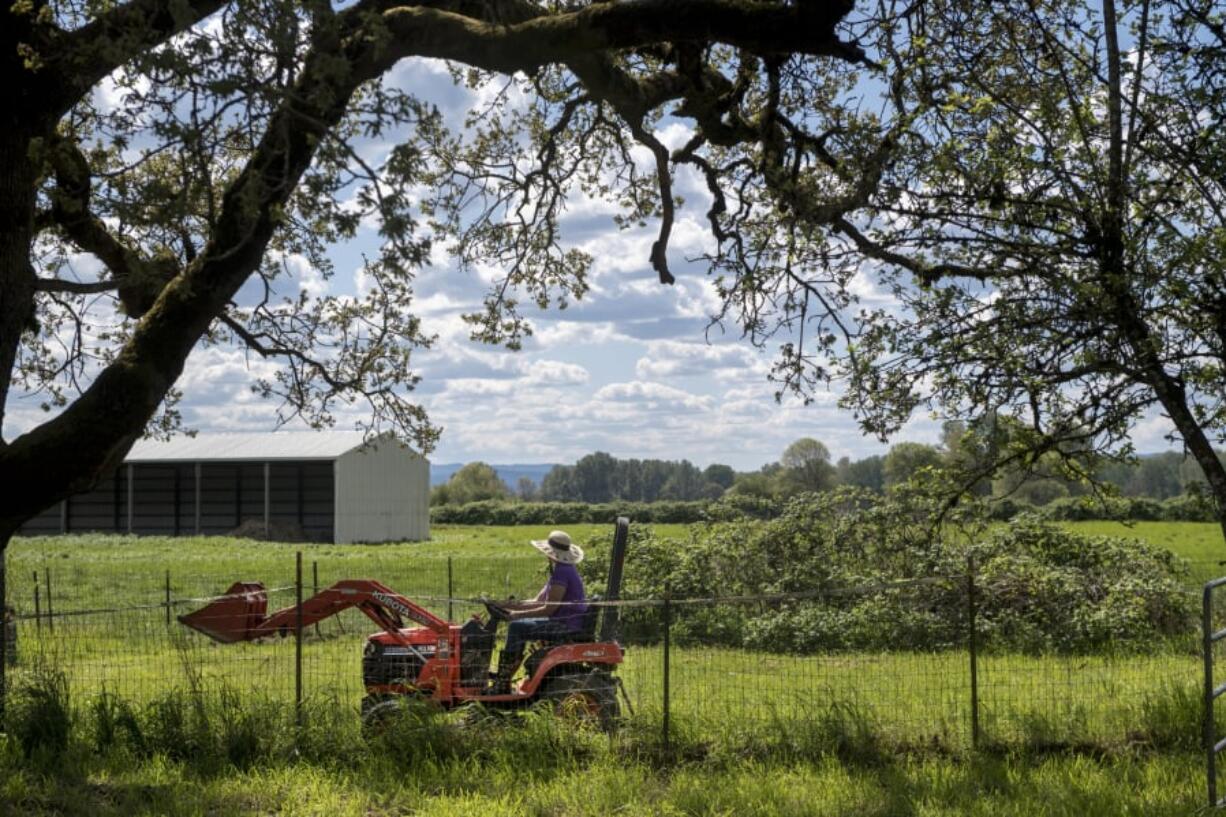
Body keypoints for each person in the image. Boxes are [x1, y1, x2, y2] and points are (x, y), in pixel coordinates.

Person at [487, 530, 588, 693]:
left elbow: (549, 609)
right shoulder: (561, 570)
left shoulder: (562, 572)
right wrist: (504, 605)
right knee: (517, 624)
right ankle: (503, 678)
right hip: (562, 622)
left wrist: (515, 615)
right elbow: (537, 602)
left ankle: (502, 681)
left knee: (517, 627)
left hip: (565, 625)